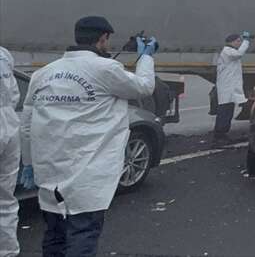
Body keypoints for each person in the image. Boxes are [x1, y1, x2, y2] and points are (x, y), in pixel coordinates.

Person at [21, 17, 158, 257]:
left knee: (54, 235)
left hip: (49, 172)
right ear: (103, 38)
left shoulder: (43, 74)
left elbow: (27, 126)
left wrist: (29, 164)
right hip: (87, 175)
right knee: (82, 235)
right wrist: (146, 56)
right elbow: (144, 86)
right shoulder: (105, 70)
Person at [0, 46, 21, 257]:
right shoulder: (3, 54)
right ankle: (7, 252)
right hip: (8, 124)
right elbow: (14, 94)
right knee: (5, 199)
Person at [213, 31, 251, 145]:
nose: (240, 43)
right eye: (238, 41)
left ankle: (223, 135)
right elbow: (239, 54)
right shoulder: (228, 51)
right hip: (227, 88)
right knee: (224, 112)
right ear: (232, 42)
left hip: (229, 88)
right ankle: (219, 136)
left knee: (228, 111)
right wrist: (246, 41)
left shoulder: (230, 51)